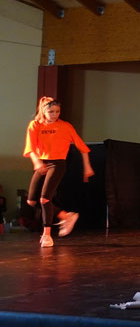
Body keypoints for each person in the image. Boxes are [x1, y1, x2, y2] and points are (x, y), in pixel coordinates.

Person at [23, 96, 94, 247]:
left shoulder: (65, 126)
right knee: (31, 201)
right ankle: (66, 216)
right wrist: (37, 162)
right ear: (43, 111)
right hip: (42, 162)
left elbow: (83, 148)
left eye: (57, 111)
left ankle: (47, 235)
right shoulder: (35, 125)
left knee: (45, 199)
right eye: (51, 111)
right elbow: (30, 148)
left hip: (58, 164)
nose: (55, 114)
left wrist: (87, 167)